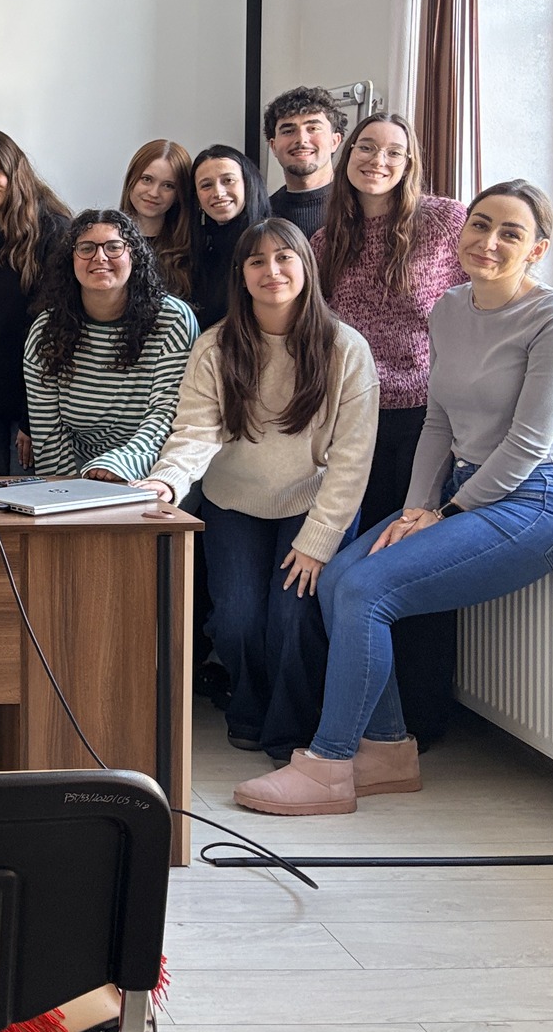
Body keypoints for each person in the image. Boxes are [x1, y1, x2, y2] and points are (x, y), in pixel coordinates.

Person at [236, 181, 553, 816]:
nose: (489, 241)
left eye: (510, 233)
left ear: (536, 250)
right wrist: (416, 509)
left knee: (367, 590)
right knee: (339, 576)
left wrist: (446, 513)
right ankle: (388, 752)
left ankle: (328, 765)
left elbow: (529, 441)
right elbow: (438, 421)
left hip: (538, 499)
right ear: (461, 231)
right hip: (460, 490)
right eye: (480, 224)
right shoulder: (450, 307)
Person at [141, 218, 378, 759]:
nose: (272, 270)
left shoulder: (346, 348)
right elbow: (195, 432)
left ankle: (290, 734)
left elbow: (352, 458)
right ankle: (249, 709)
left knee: (293, 619)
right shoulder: (215, 346)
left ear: (306, 266)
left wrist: (319, 539)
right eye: (257, 261)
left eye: (284, 257)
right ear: (241, 276)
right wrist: (166, 481)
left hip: (315, 503)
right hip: (235, 501)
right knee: (237, 620)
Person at [312, 111, 468, 744]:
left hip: (430, 422)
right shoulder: (325, 242)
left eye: (393, 152)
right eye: (366, 147)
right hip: (356, 424)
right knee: (361, 571)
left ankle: (423, 721)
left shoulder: (446, 221)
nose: (377, 160)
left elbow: (488, 302)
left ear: (410, 164)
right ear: (347, 155)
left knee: (417, 564)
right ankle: (375, 722)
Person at [24, 210, 197, 483]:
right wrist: (67, 492)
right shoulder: (46, 330)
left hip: (155, 468)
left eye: (114, 247)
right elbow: (48, 430)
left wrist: (120, 466)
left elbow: (166, 414)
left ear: (133, 255)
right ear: (71, 259)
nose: (100, 257)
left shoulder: (172, 320)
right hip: (77, 467)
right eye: (86, 248)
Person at [0, 129, 69, 476]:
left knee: (20, 502)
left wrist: (32, 419)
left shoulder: (53, 232)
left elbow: (56, 330)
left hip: (29, 409)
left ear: (14, 169)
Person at [189, 145, 271, 330]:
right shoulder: (197, 249)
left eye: (228, 180)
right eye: (206, 185)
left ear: (248, 185)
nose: (218, 193)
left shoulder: (271, 241)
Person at [264, 86, 348, 235]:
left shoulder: (361, 205)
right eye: (288, 131)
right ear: (273, 146)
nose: (301, 139)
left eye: (313, 128)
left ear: (335, 141)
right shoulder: (263, 215)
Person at [120, 140, 195, 299]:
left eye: (168, 186)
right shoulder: (106, 241)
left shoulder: (192, 249)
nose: (154, 193)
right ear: (131, 180)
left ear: (179, 194)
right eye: (147, 179)